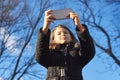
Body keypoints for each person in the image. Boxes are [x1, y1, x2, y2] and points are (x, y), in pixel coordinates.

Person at [35, 9, 95, 80]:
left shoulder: (78, 53)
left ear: (71, 37)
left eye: (65, 32)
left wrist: (79, 26)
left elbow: (89, 51)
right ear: (53, 38)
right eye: (59, 33)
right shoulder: (50, 54)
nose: (63, 34)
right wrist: (45, 28)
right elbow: (40, 56)